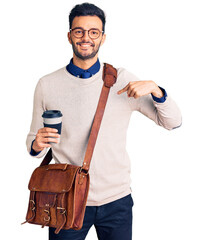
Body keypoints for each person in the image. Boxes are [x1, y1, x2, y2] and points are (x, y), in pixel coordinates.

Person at [26, 2, 182, 240]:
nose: (85, 37)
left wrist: (157, 90)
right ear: (69, 36)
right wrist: (37, 144)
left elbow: (173, 122)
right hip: (66, 199)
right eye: (79, 31)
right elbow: (33, 146)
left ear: (102, 38)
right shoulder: (47, 84)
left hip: (116, 200)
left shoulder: (121, 80)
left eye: (93, 32)